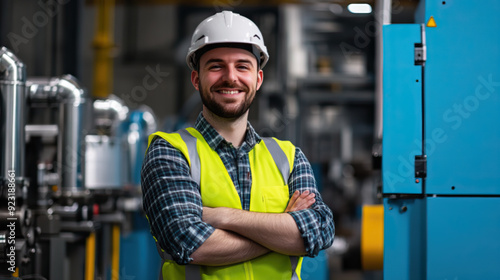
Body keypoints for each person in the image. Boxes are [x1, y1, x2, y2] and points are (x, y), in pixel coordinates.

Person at [141, 10, 335, 280]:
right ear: (197, 79)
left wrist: (225, 217)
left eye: (242, 66)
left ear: (258, 79)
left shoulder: (289, 157)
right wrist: (283, 234)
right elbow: (188, 243)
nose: (230, 77)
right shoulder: (170, 152)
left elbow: (319, 233)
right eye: (216, 66)